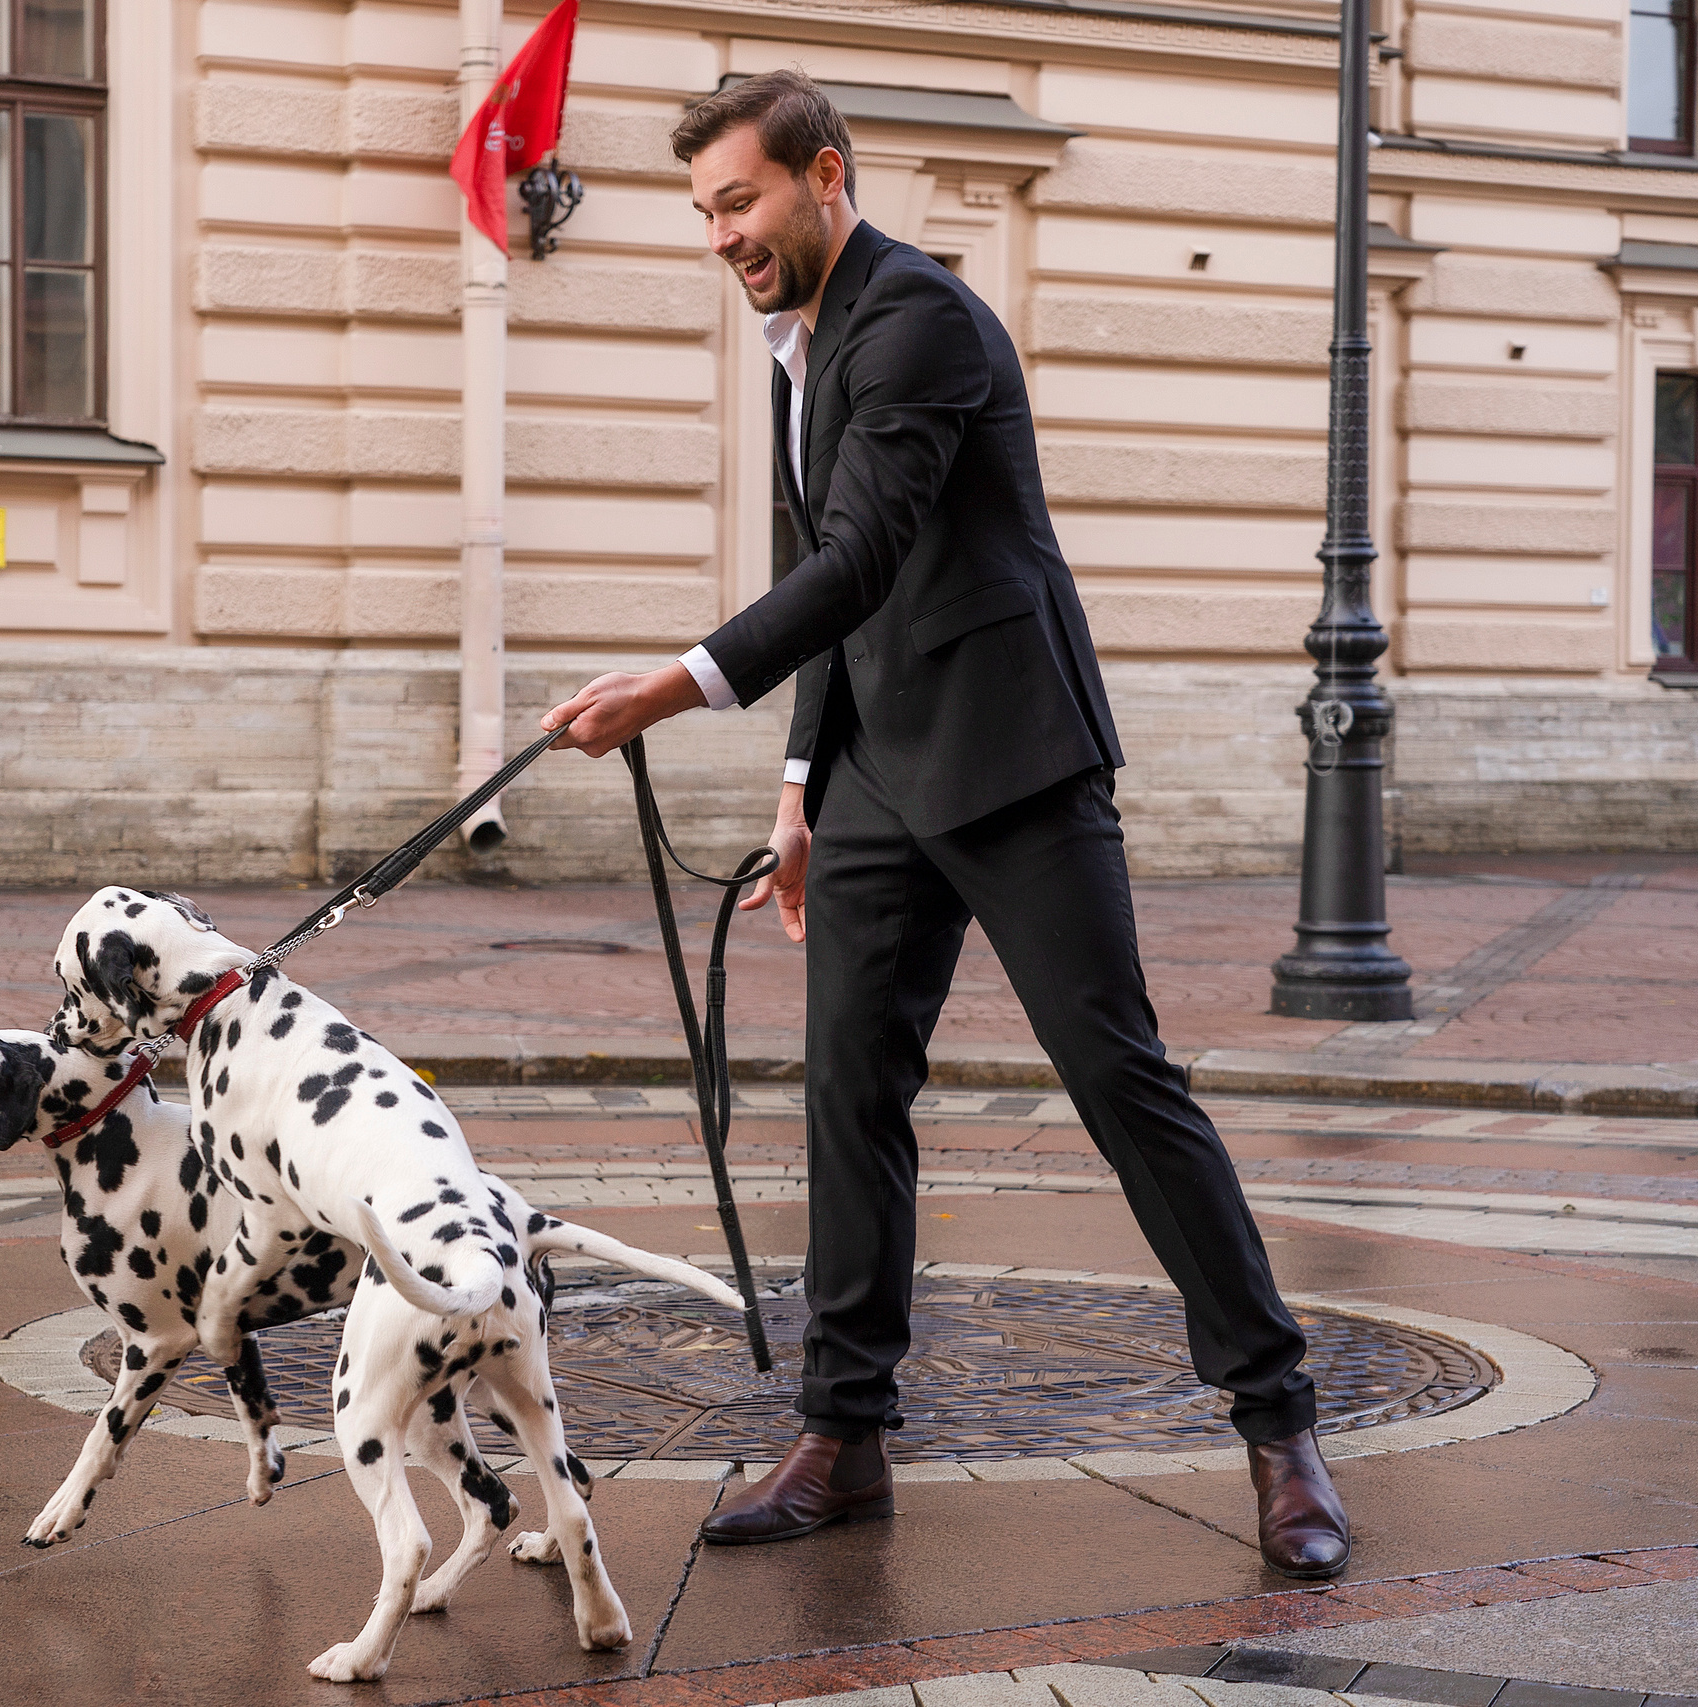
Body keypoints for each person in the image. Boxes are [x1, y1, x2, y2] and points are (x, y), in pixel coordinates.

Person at [541, 70, 1351, 1578]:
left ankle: (1280, 1423)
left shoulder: (917, 318)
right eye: (704, 209)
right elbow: (843, 595)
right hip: (871, 782)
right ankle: (843, 1437)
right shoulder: (800, 337)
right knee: (849, 1098)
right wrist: (799, 788)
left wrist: (675, 686)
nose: (721, 233)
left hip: (1015, 758)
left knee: (1121, 1082)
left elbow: (855, 560)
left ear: (824, 176)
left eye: (741, 199)